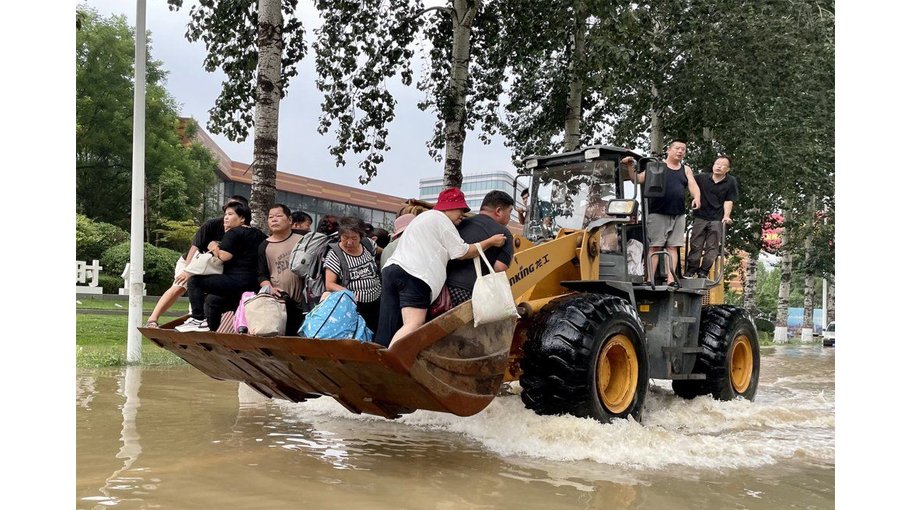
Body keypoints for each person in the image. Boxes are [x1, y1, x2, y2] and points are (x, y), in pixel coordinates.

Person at [376, 188, 507, 348]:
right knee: (414, 323)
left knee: (388, 324)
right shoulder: (442, 220)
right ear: (450, 207)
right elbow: (463, 252)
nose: (463, 215)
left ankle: (377, 359)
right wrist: (491, 242)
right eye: (461, 210)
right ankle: (390, 362)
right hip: (416, 275)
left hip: (392, 270)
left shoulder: (422, 218)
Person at [148, 195, 248, 328]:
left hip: (216, 267)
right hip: (194, 261)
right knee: (181, 285)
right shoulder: (212, 225)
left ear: (243, 215)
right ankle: (153, 319)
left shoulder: (245, 232)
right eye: (227, 212)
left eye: (233, 211)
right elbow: (194, 248)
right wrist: (189, 270)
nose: (227, 216)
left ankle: (202, 323)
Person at [178, 201, 267, 332]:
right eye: (225, 214)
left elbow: (224, 256)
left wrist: (214, 246)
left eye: (230, 214)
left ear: (242, 218)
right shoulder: (259, 235)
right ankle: (209, 331)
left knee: (195, 282)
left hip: (235, 281)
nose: (226, 217)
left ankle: (197, 319)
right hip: (252, 285)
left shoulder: (233, 232)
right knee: (213, 300)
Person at [622, 139, 701, 286]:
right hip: (658, 213)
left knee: (673, 247)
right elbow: (637, 179)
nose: (680, 151)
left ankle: (671, 280)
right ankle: (650, 279)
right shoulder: (656, 167)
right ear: (669, 150)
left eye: (683, 149)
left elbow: (693, 185)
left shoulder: (686, 169)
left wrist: (696, 197)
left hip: (678, 214)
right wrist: (630, 166)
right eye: (677, 148)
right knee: (655, 247)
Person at [445, 190, 515, 306]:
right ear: (498, 211)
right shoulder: (504, 233)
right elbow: (499, 268)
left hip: (444, 288)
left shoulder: (461, 223)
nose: (510, 217)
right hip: (471, 292)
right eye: (509, 212)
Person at [323, 217, 383, 332]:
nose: (349, 242)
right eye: (345, 237)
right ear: (339, 236)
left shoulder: (368, 244)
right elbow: (329, 284)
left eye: (354, 238)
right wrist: (351, 295)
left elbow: (382, 252)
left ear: (361, 237)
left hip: (376, 302)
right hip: (353, 306)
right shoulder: (334, 254)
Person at [684, 155, 738, 278]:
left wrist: (726, 216)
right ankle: (691, 269)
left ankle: (704, 271)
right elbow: (689, 181)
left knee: (712, 247)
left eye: (723, 165)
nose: (719, 166)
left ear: (728, 169)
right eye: (717, 163)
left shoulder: (731, 181)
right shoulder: (701, 178)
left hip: (717, 219)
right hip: (700, 216)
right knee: (696, 245)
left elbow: (729, 200)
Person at [256, 204, 306, 335]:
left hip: (304, 302)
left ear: (289, 220)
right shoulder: (264, 246)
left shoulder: (302, 241)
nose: (274, 219)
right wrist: (270, 289)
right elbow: (261, 274)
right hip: (279, 302)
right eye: (270, 217)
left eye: (278, 216)